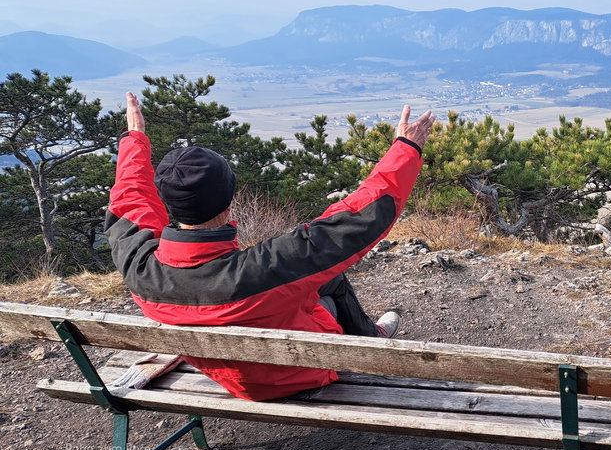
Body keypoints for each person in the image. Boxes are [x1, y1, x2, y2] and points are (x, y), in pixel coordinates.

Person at [105, 92, 436, 401]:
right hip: (302, 374)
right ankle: (373, 342)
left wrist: (135, 141)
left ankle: (372, 338)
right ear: (228, 201)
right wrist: (406, 148)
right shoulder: (264, 270)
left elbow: (130, 201)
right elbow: (356, 222)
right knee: (327, 281)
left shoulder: (141, 269)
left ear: (169, 204)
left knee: (311, 286)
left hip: (229, 377)